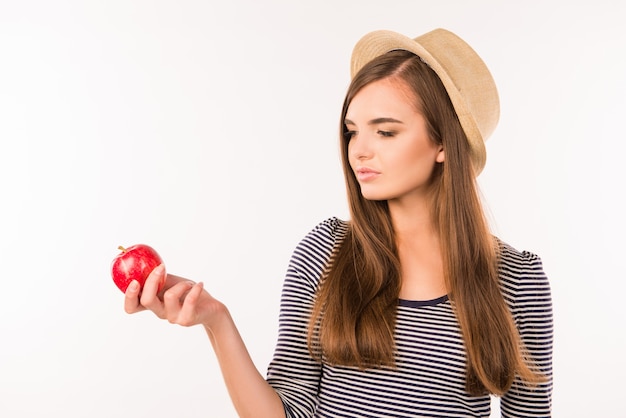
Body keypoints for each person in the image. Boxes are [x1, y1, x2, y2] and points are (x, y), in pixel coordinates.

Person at [124, 28, 553, 417]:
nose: (358, 151)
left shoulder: (518, 278)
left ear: (443, 142)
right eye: (352, 131)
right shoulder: (325, 253)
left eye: (385, 132)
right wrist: (217, 322)